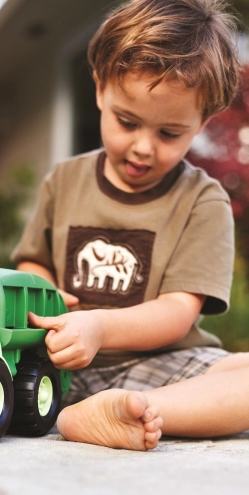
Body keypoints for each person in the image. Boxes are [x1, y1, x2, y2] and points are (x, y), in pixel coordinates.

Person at [12, 0, 249, 450]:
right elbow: (32, 261)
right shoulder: (65, 181)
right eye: (127, 122)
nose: (143, 147)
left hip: (160, 365)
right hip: (56, 364)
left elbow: (179, 313)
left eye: (169, 134)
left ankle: (131, 407)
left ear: (203, 121)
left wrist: (100, 327)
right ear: (100, 89)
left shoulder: (202, 201)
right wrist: (44, 298)